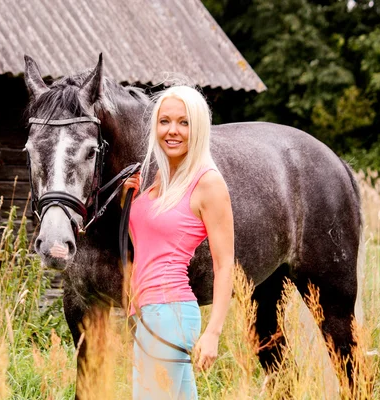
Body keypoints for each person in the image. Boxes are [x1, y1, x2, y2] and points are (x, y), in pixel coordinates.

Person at [122, 85, 234, 399]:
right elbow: (147, 244)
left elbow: (225, 265)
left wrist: (213, 333)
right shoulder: (162, 177)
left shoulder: (207, 182)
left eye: (184, 123)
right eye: (165, 121)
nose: (173, 131)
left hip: (170, 312)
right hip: (146, 311)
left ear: (197, 128)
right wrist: (128, 202)